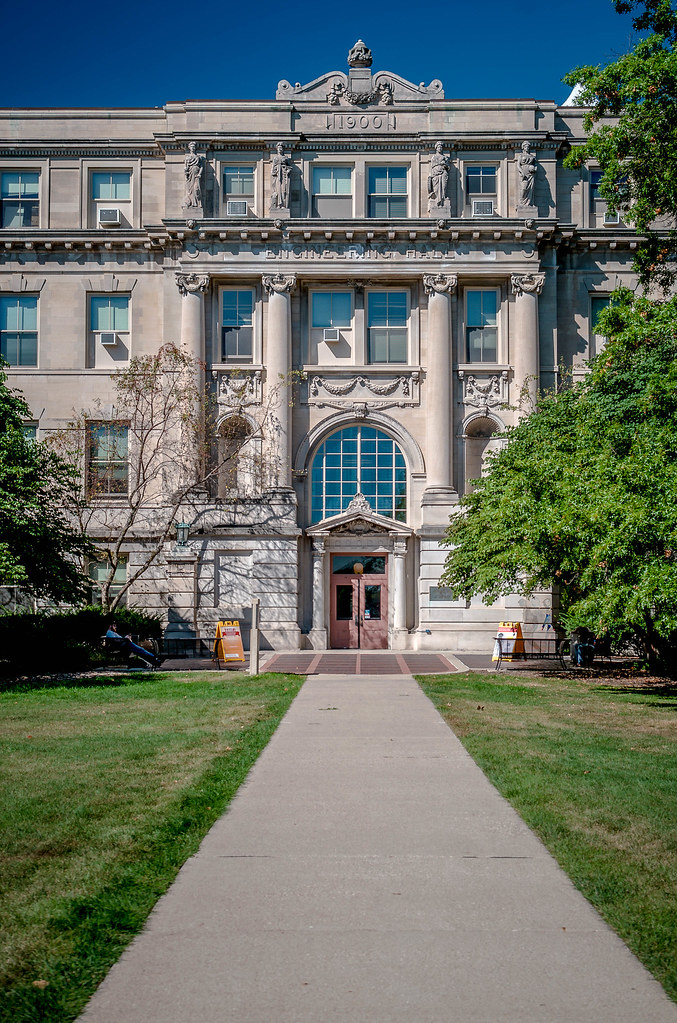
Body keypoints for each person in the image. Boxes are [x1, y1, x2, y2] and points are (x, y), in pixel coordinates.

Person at [516, 140, 536, 208]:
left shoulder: (532, 156)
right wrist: (521, 172)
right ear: (523, 147)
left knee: (530, 189)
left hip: (531, 174)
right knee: (524, 188)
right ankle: (522, 202)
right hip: (524, 172)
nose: (527, 148)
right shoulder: (521, 156)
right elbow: (518, 165)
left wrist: (534, 168)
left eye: (528, 147)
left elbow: (535, 165)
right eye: (525, 147)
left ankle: (528, 203)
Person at [270, 143, 291, 209]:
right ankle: (278, 204)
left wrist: (288, 170)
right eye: (278, 148)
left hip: (284, 176)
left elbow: (289, 166)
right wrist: (275, 170)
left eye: (281, 147)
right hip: (277, 177)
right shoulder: (275, 158)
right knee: (278, 190)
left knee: (283, 190)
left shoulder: (286, 158)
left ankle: (283, 205)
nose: (280, 149)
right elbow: (272, 169)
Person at [428, 141, 449, 206]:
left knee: (443, 186)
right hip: (436, 173)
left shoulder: (445, 157)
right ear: (436, 148)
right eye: (438, 147)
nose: (440, 148)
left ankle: (443, 198)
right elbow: (432, 167)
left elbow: (448, 167)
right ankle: (437, 199)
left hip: (443, 173)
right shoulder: (434, 157)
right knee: (436, 188)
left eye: (441, 147)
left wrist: (445, 165)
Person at [183, 142, 202, 208]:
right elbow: (186, 167)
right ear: (189, 148)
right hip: (190, 174)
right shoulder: (187, 158)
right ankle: (191, 203)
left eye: (194, 146)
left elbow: (201, 166)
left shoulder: (198, 157)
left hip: (196, 175)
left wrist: (199, 174)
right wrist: (186, 172)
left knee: (196, 188)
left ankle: (198, 203)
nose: (193, 148)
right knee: (190, 189)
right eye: (191, 146)